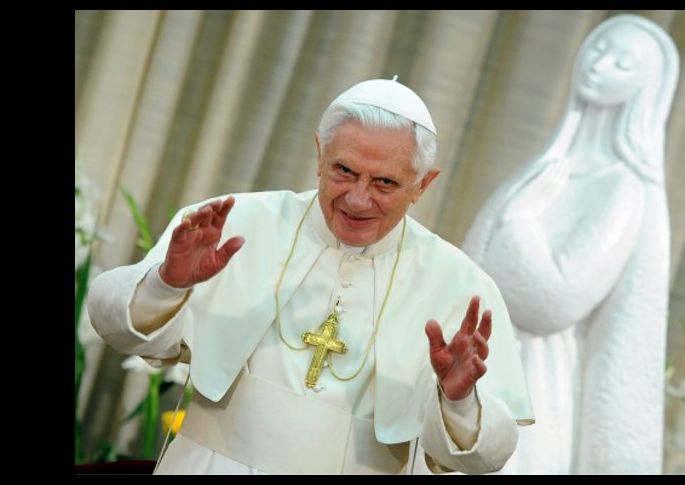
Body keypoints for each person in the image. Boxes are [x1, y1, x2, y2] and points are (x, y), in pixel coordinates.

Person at [87, 77, 534, 475]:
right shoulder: (233, 221)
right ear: (320, 154)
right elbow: (116, 328)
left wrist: (458, 401)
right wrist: (168, 283)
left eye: (385, 183)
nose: (358, 200)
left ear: (422, 185)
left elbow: (486, 459)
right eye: (344, 171)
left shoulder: (462, 285)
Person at [462, 14, 680, 474]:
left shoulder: (623, 188)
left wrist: (519, 221)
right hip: (476, 365)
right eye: (600, 50)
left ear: (644, 89)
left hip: (534, 385)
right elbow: (475, 263)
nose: (600, 66)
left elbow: (555, 300)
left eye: (623, 64)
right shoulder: (548, 166)